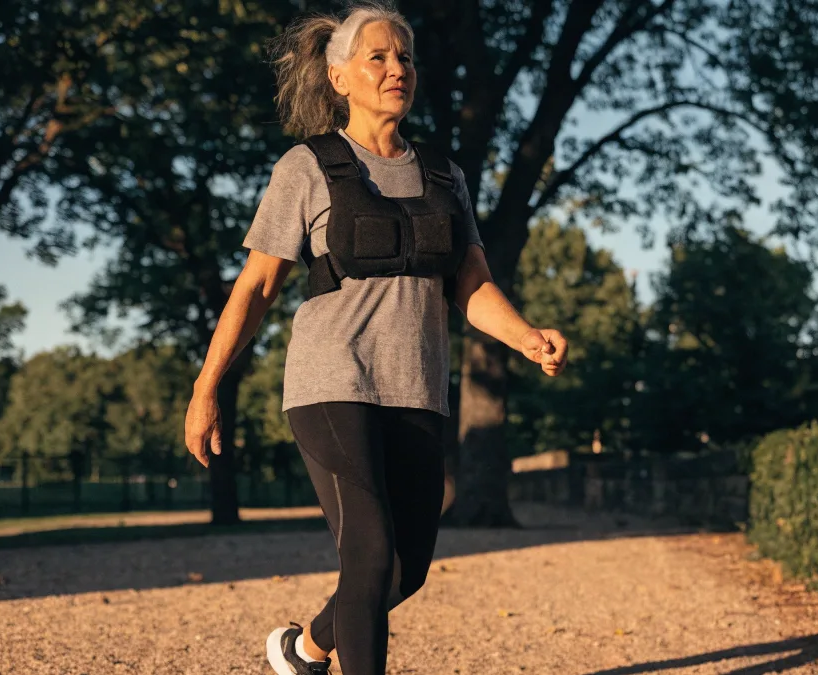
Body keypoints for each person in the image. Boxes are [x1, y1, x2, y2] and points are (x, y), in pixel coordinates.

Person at [182, 3, 568, 674]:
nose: (398, 70)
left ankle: (304, 648)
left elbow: (472, 284)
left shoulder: (446, 177)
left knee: (405, 570)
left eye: (406, 58)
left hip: (415, 386)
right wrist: (206, 385)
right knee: (369, 550)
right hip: (331, 382)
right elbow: (256, 286)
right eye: (379, 58)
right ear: (339, 77)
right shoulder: (307, 167)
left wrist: (527, 335)